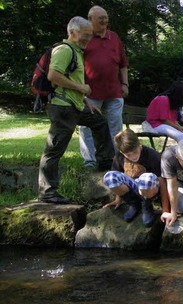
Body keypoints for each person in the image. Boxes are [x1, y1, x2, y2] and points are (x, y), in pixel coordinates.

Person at [37, 16, 114, 204]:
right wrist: (81, 89)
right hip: (62, 108)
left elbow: (73, 80)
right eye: (85, 35)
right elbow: (54, 75)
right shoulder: (64, 50)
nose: (88, 39)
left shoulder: (77, 51)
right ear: (72, 32)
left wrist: (85, 99)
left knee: (99, 121)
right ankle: (47, 192)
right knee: (54, 149)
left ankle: (105, 163)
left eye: (90, 35)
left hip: (75, 105)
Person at [78, 5, 129, 170]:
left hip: (114, 92)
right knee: (87, 128)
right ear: (90, 19)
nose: (104, 21)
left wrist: (125, 83)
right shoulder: (84, 37)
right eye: (101, 18)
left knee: (116, 128)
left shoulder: (114, 37)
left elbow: (123, 64)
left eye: (106, 17)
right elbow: (76, 65)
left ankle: (116, 160)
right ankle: (90, 161)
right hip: (91, 93)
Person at [102, 129, 169, 227]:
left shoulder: (151, 155)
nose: (133, 156)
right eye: (128, 155)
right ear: (121, 152)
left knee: (146, 180)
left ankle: (146, 206)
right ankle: (134, 204)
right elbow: (118, 175)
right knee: (110, 177)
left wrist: (165, 210)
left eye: (135, 152)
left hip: (150, 188)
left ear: (139, 144)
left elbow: (163, 182)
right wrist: (118, 200)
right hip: (133, 187)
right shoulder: (119, 157)